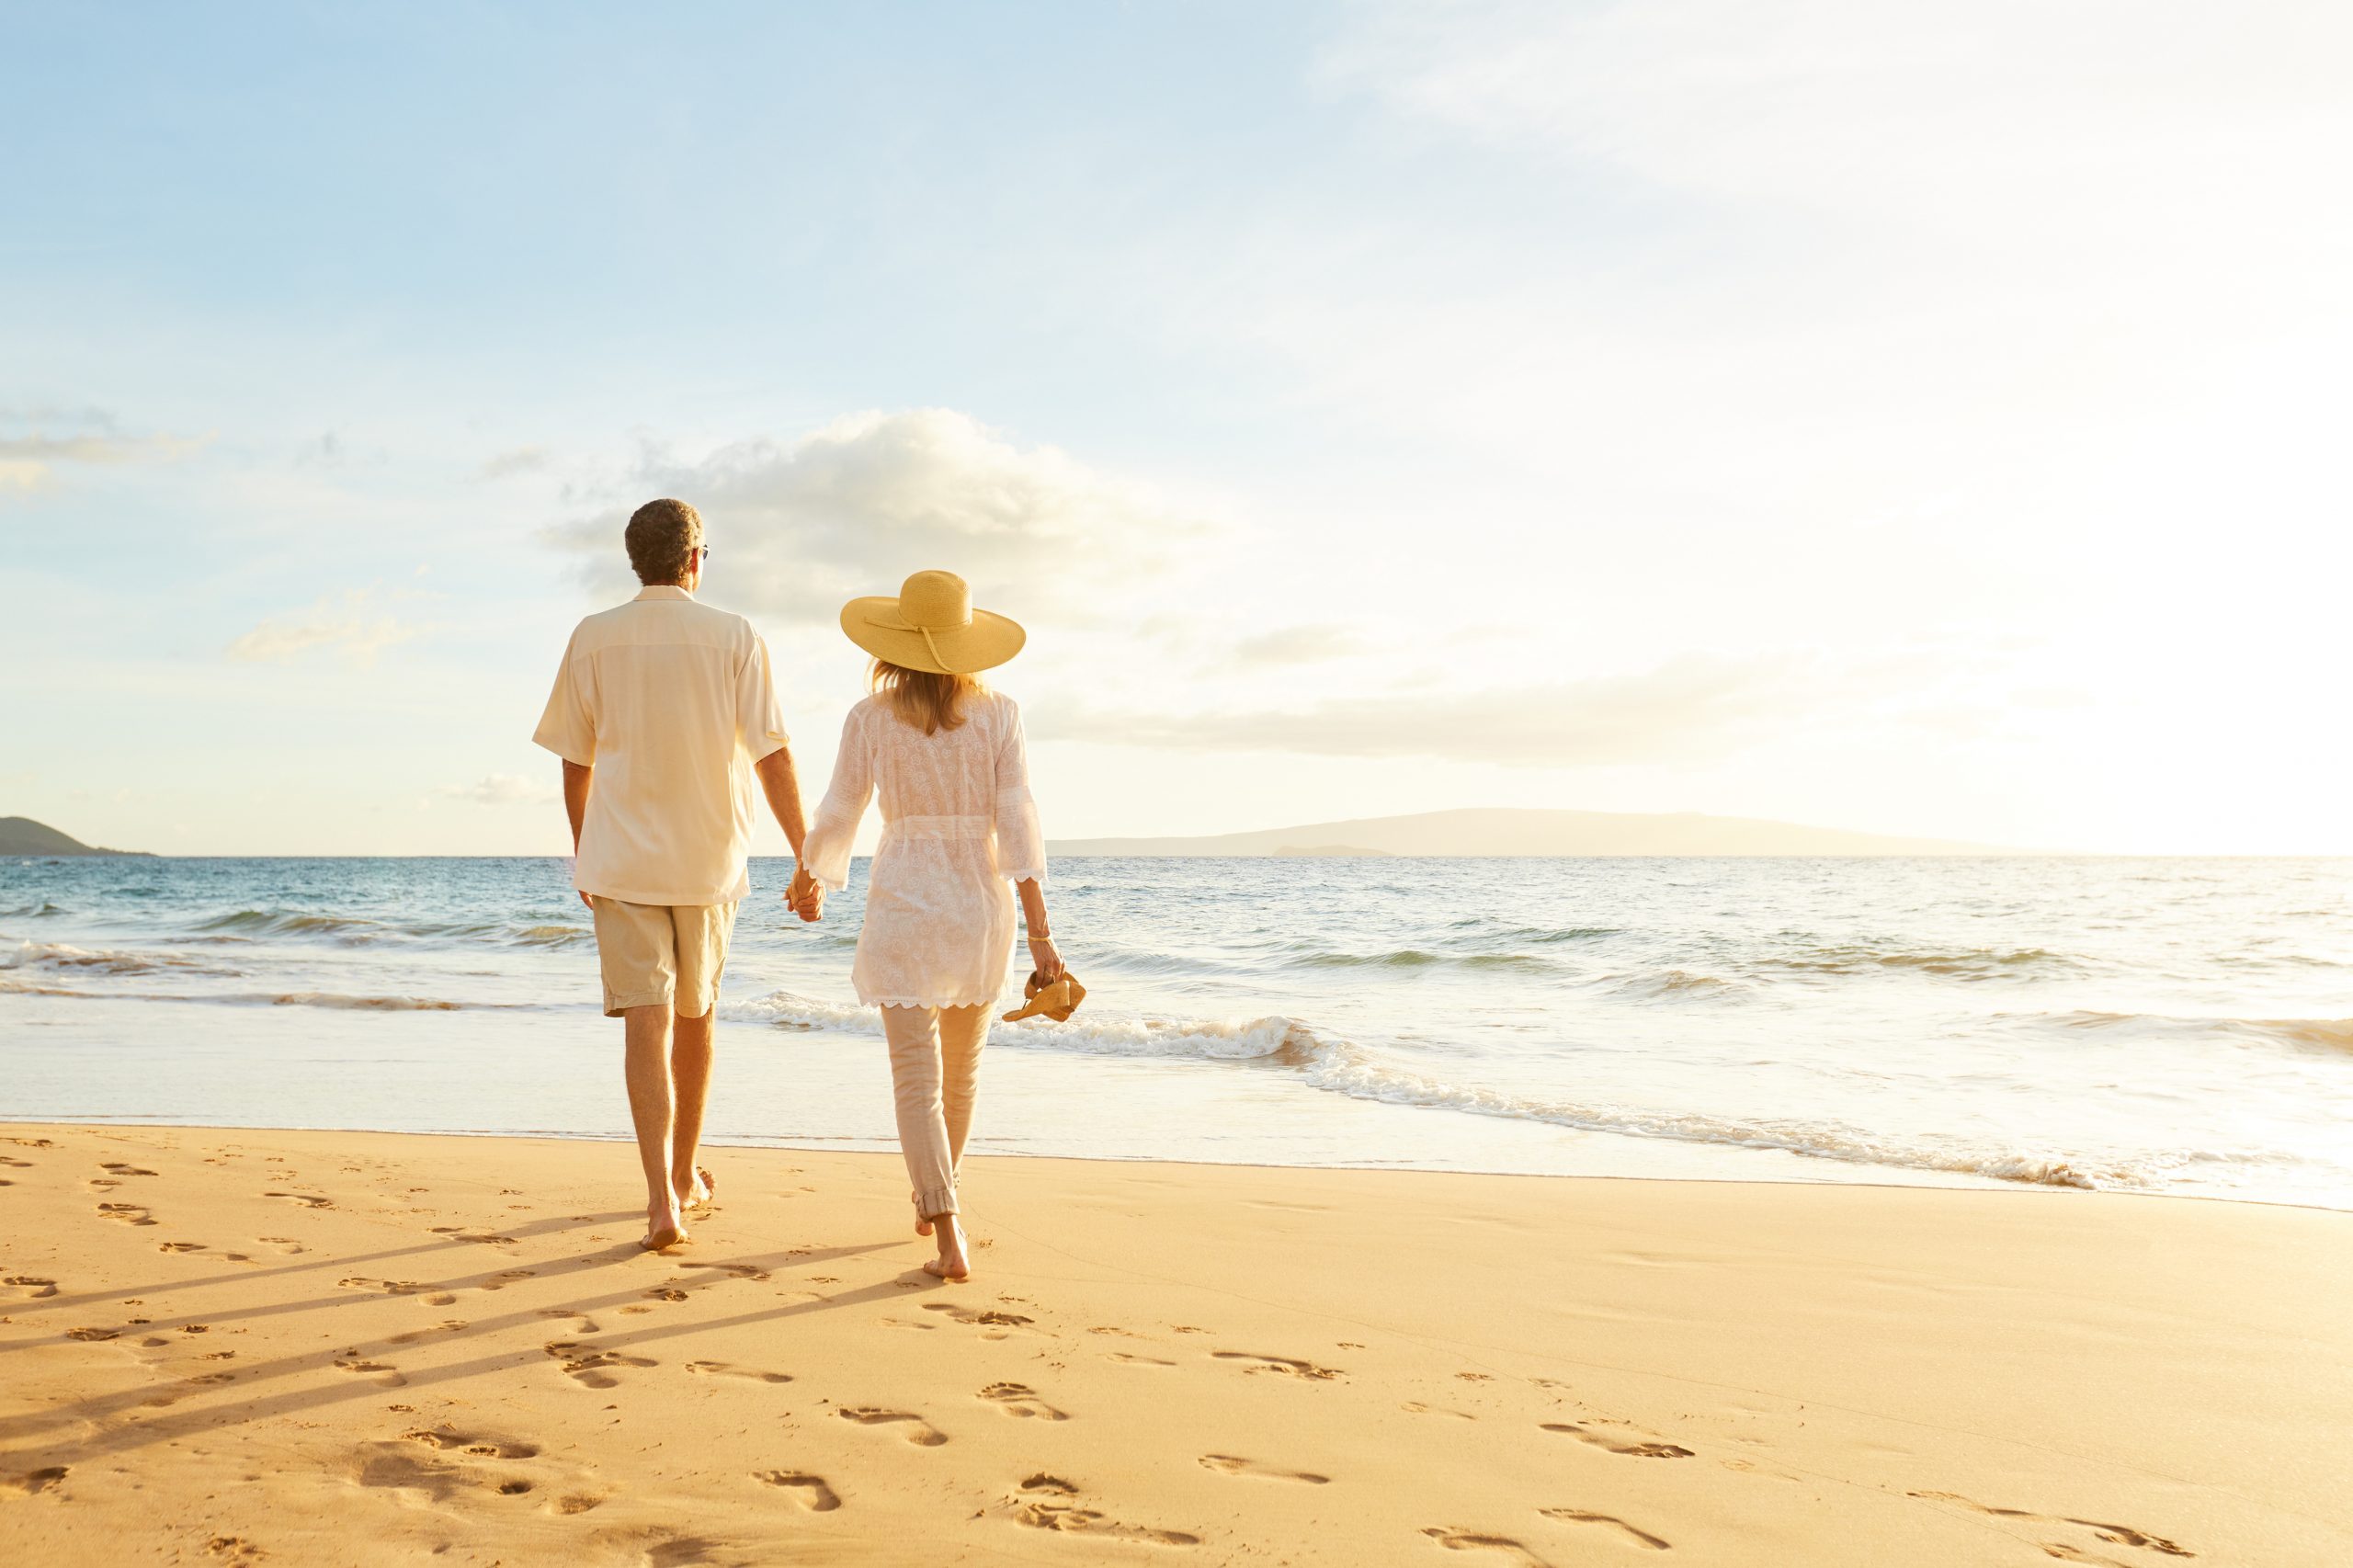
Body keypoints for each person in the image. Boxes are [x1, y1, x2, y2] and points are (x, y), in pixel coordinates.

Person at [531, 498, 825, 1252]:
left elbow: (575, 758)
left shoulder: (593, 636)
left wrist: (583, 848)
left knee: (644, 1021)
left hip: (622, 858)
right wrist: (804, 856)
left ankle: (661, 1198)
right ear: (697, 560)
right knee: (695, 1017)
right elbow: (772, 753)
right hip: (708, 859)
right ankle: (688, 1174)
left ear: (636, 562)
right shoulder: (735, 635)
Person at [800, 569, 1060, 1281]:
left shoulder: (869, 717)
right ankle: (938, 1197)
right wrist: (1040, 931)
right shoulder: (1000, 712)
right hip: (979, 903)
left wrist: (811, 873)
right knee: (962, 1075)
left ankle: (944, 1225)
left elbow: (841, 808)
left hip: (905, 898)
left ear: (893, 645)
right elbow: (1018, 820)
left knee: (915, 1077)